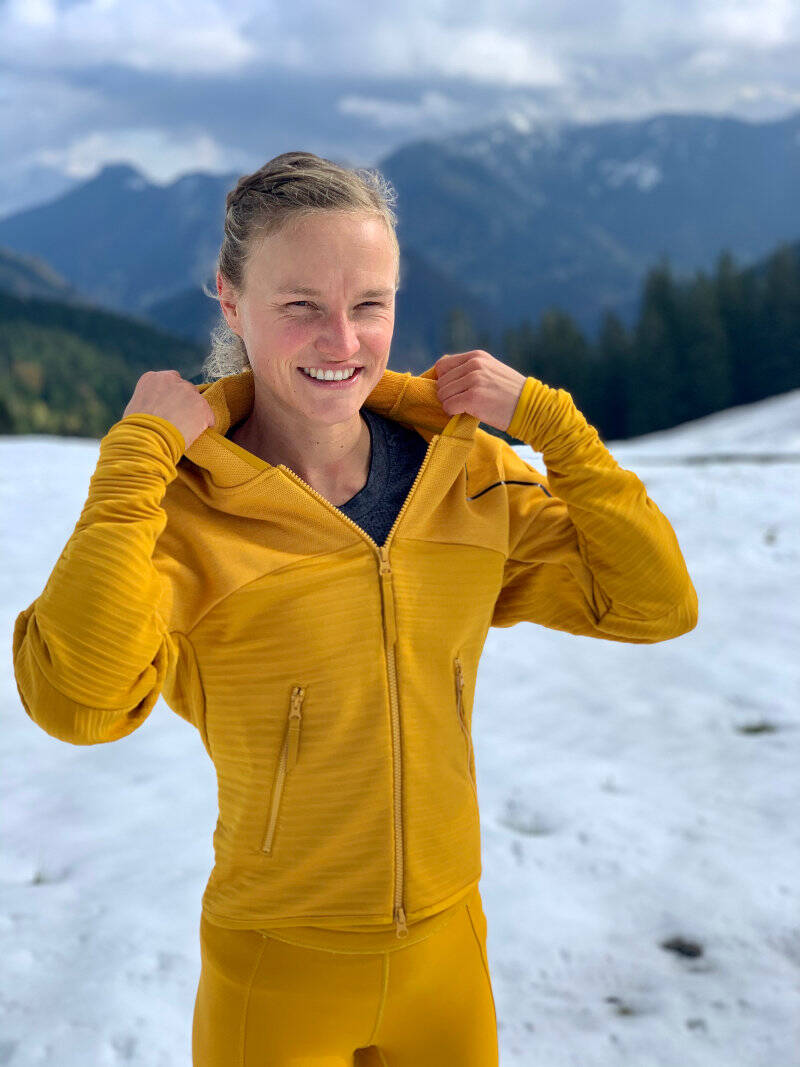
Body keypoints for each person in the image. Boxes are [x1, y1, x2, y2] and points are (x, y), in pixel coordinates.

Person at [12, 150, 699, 1066]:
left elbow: (654, 603)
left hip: (446, 956)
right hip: (277, 970)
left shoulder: (468, 478)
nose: (343, 341)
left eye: (369, 304)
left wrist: (549, 422)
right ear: (230, 300)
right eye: (301, 306)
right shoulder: (182, 513)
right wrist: (137, 457)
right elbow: (77, 701)